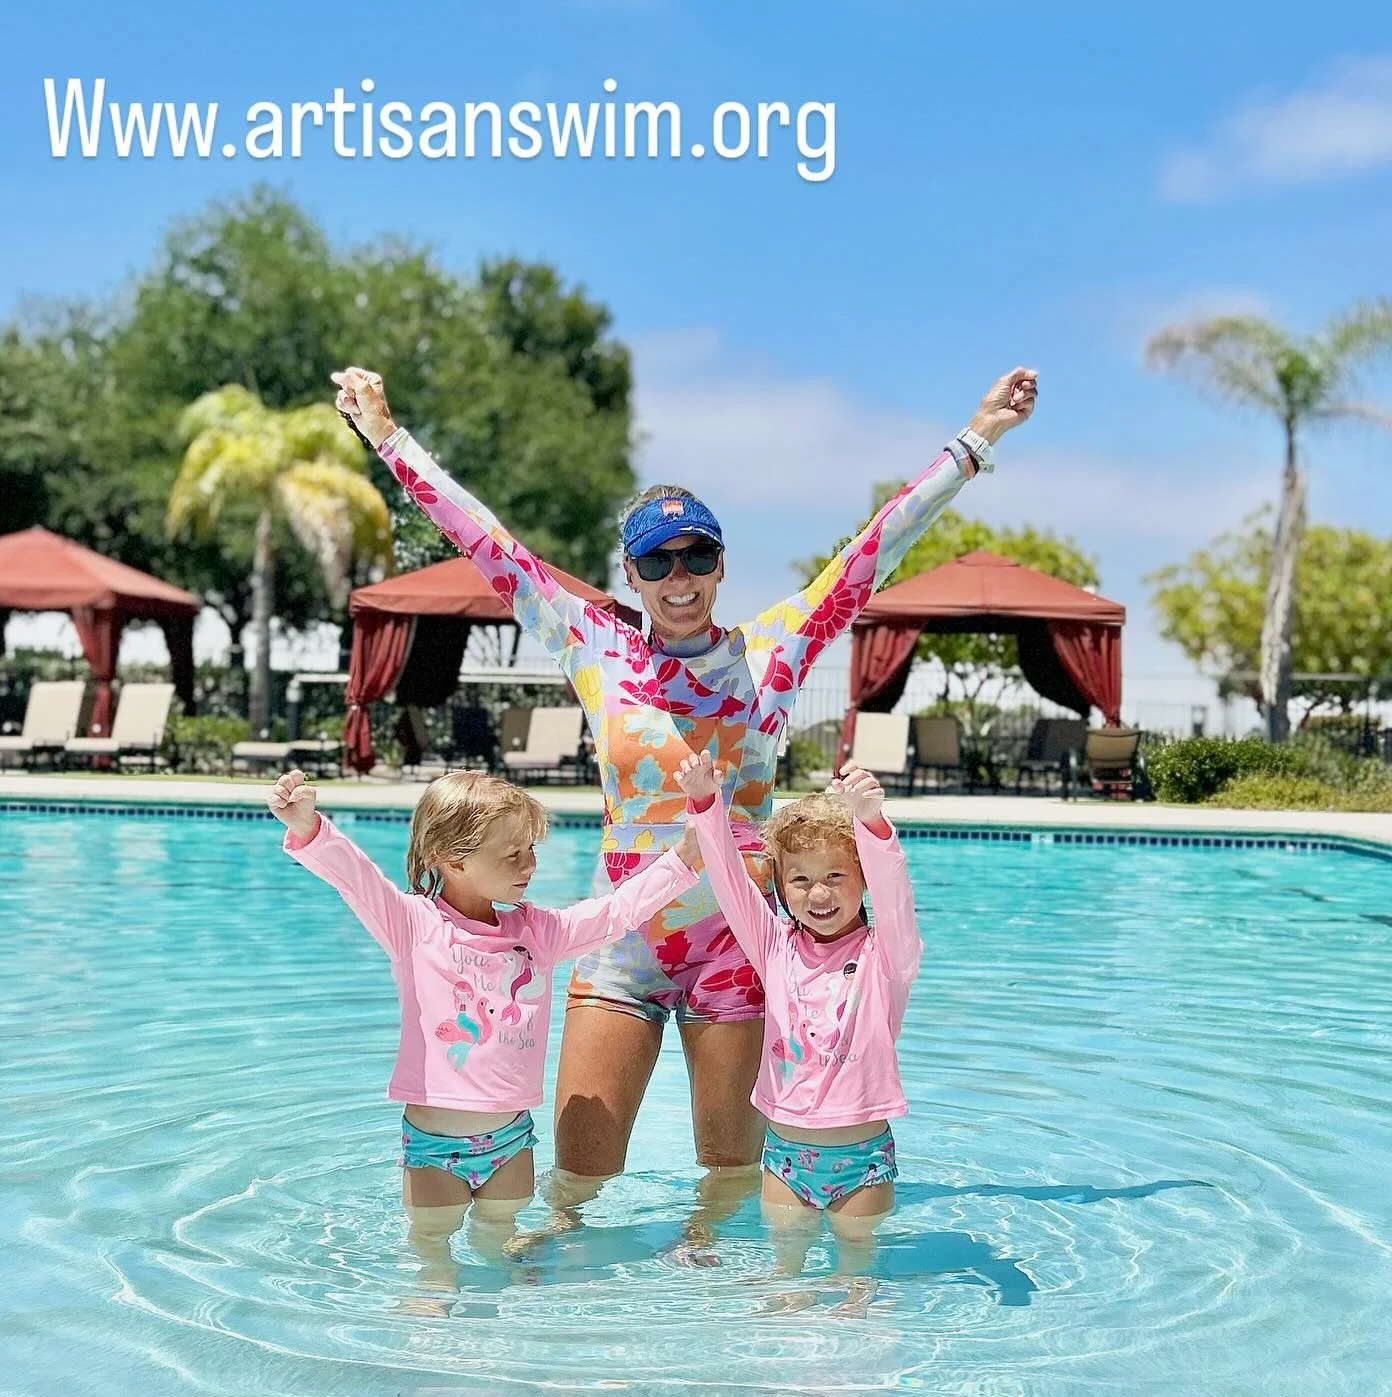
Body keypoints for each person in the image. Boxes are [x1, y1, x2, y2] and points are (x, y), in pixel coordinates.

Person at [330, 363, 1036, 1200]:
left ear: (721, 563)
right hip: (620, 946)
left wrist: (979, 436)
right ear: (630, 575)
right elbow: (486, 541)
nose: (678, 576)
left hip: (739, 946)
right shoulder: (594, 646)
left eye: (696, 555)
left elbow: (877, 546)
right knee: (575, 1184)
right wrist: (386, 435)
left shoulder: (774, 652)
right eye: (655, 561)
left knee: (733, 1185)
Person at [267, 767, 700, 1286]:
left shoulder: (536, 932)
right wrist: (310, 827)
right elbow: (355, 877)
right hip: (434, 1143)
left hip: (511, 1139)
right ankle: (434, 1294)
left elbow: (614, 914)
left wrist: (682, 861)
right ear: (453, 859)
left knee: (500, 1231)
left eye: (531, 849)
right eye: (512, 854)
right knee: (433, 1241)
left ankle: (495, 1301)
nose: (531, 865)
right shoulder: (413, 925)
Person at [675, 750, 919, 1291]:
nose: (819, 893)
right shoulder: (775, 948)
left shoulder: (887, 959)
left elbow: (897, 896)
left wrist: (872, 823)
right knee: (783, 1273)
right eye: (801, 879)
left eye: (836, 875)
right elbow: (732, 883)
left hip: (862, 1159)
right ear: (782, 887)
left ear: (861, 879)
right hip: (785, 1157)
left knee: (857, 1277)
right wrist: (704, 803)